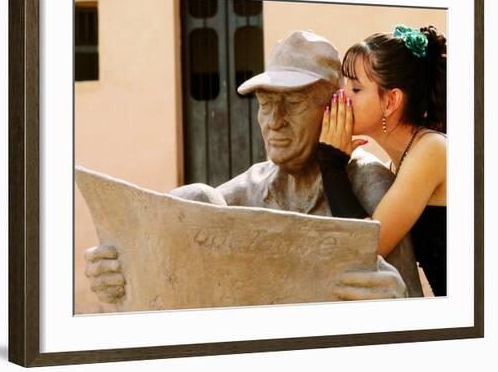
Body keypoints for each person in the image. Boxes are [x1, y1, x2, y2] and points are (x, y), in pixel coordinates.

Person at [85, 30, 418, 304]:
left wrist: (395, 301)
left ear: (335, 109)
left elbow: (412, 305)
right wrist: (124, 268)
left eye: (294, 102)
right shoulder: (249, 187)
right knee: (195, 197)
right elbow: (158, 247)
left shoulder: (370, 182)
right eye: (266, 103)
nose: (275, 121)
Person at [316, 24, 447, 296]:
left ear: (391, 101)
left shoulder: (432, 151)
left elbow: (367, 250)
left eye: (355, 88)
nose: (341, 97)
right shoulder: (397, 165)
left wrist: (330, 165)